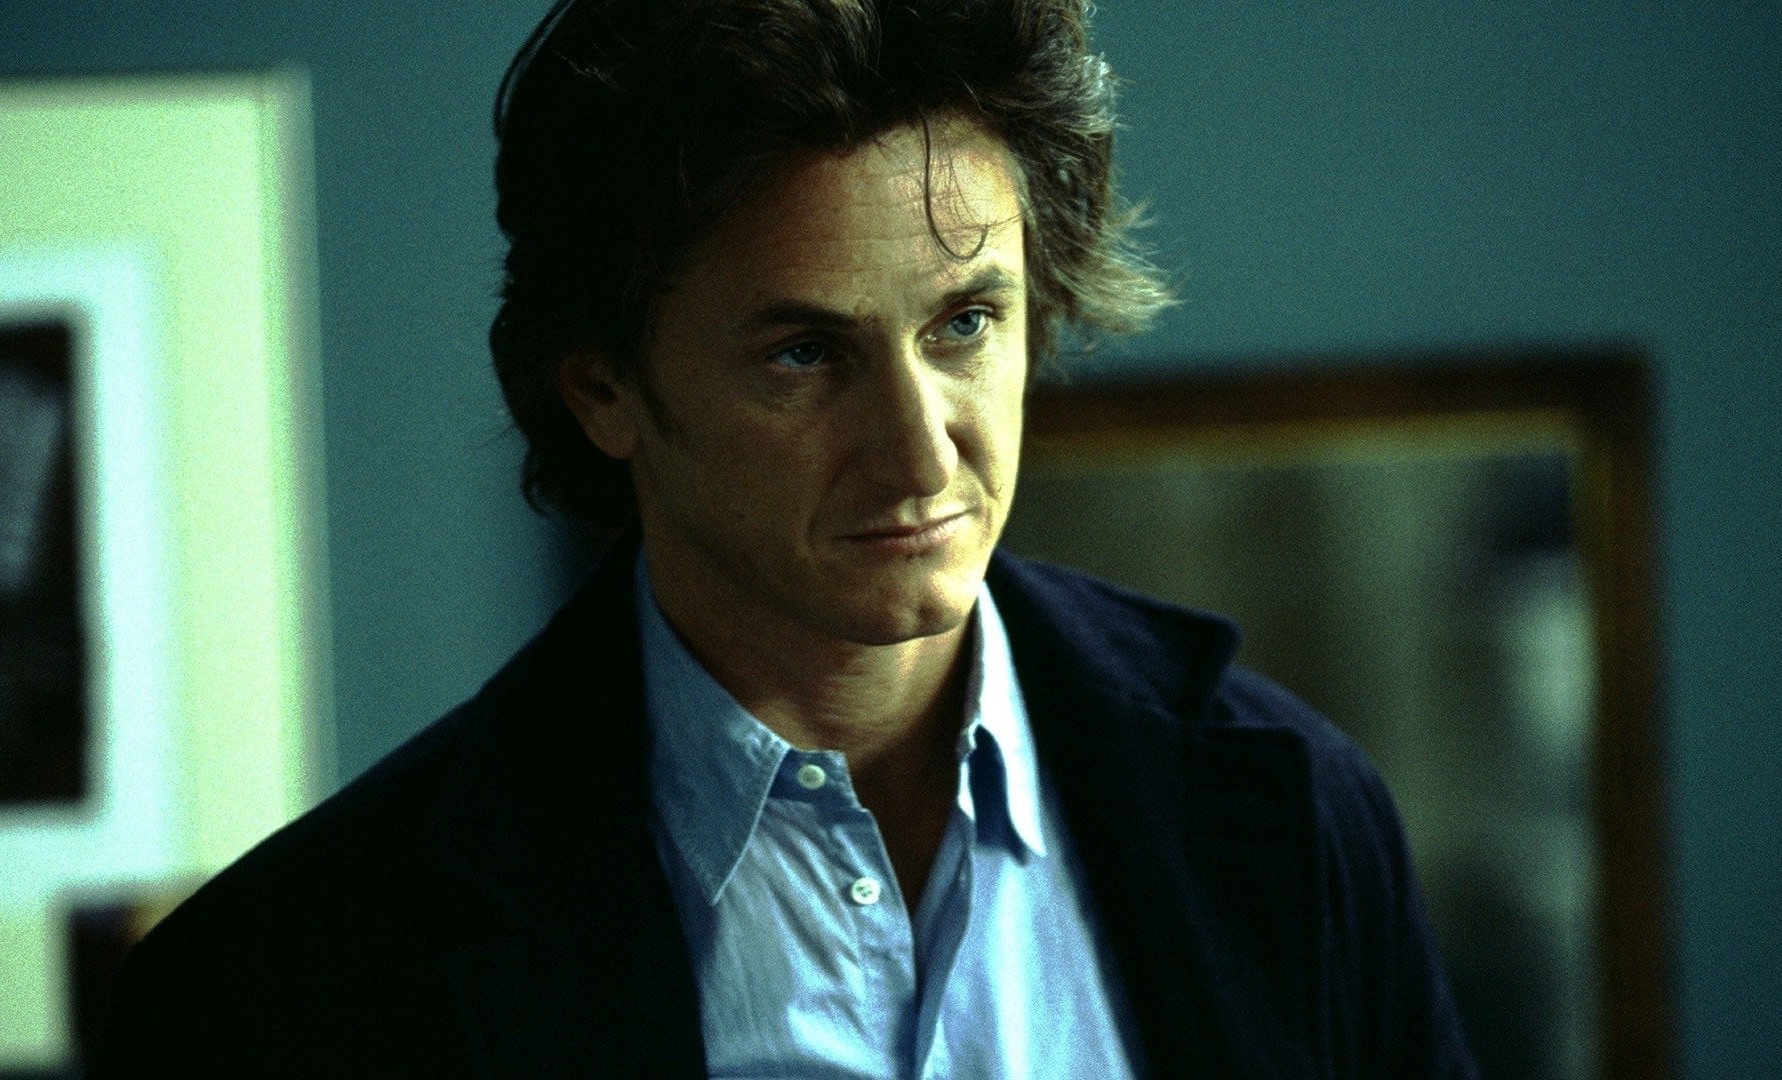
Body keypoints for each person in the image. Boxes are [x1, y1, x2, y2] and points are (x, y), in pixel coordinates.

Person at [93, 0, 1477, 1075]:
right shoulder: (296, 981)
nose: (922, 452)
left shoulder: (1288, 814)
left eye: (966, 323)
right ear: (602, 387)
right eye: (806, 354)